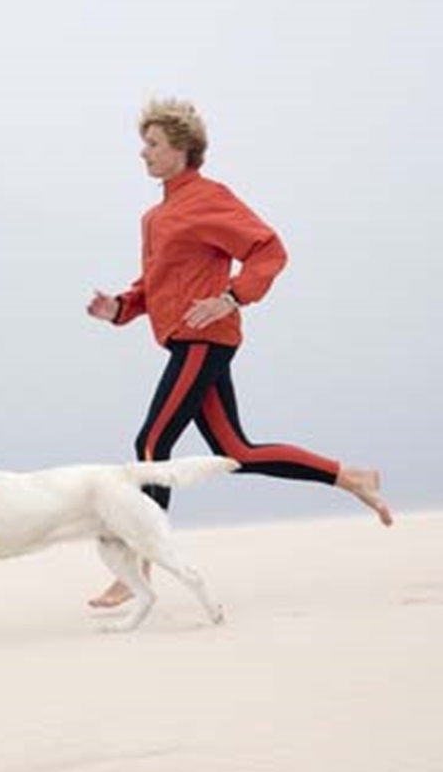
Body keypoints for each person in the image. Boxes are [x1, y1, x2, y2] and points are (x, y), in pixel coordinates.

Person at [85, 98, 393, 609]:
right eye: (144, 143)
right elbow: (157, 284)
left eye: (154, 144)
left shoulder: (208, 198)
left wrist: (232, 295)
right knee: (238, 452)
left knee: (151, 445)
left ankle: (138, 568)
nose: (143, 153)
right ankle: (350, 475)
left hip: (207, 338)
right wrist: (119, 307)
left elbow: (268, 249)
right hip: (186, 340)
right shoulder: (155, 216)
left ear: (182, 149)